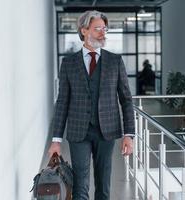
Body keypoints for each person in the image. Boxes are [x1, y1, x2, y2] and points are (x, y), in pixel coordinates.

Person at [48, 10, 135, 200]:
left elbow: (126, 100)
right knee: (80, 186)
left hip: (108, 131)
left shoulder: (115, 61)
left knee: (103, 186)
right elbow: (62, 101)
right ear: (84, 31)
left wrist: (129, 135)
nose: (103, 33)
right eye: (97, 29)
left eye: (105, 29)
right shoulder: (69, 63)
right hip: (79, 131)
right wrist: (56, 139)